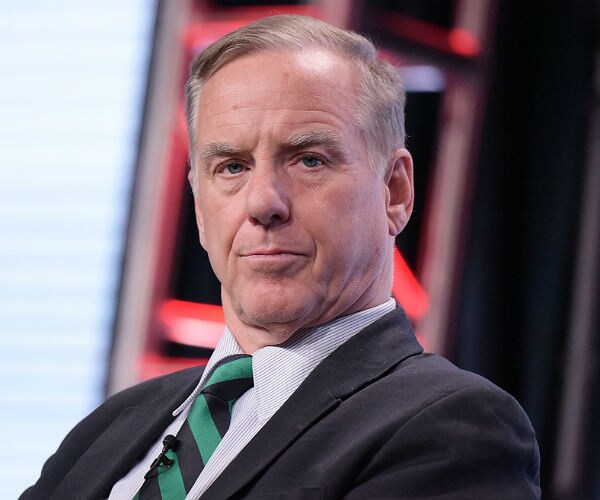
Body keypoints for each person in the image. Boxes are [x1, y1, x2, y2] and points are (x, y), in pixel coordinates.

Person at [21, 14, 541, 500]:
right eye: (231, 166)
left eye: (308, 160)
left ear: (395, 192)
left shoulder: (453, 426)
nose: (263, 203)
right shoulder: (112, 425)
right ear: (198, 205)